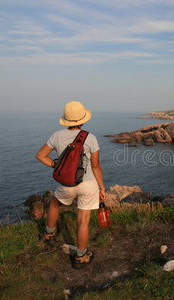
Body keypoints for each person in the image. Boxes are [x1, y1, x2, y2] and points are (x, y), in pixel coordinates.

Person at [36, 101, 106, 269]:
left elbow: (40, 155)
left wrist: (56, 165)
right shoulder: (90, 138)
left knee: (54, 202)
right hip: (88, 184)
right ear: (82, 119)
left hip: (66, 183)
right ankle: (81, 257)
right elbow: (95, 166)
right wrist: (102, 188)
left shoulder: (56, 136)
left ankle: (49, 234)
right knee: (83, 221)